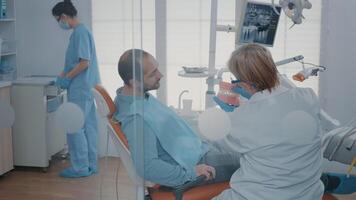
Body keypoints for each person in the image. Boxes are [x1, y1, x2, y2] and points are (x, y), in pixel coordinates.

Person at [211, 44, 356, 199]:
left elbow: (220, 144)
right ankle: (326, 180)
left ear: (243, 82)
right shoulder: (307, 96)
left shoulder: (242, 118)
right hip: (307, 193)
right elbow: (278, 102)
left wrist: (231, 116)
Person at [114, 49, 240, 187]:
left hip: (199, 150)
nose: (160, 75)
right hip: (197, 163)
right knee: (253, 161)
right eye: (152, 74)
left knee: (244, 148)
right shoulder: (136, 118)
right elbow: (147, 167)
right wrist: (191, 173)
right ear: (134, 82)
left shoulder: (131, 96)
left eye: (157, 69)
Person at [52, 0, 101, 178]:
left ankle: (80, 167)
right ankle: (91, 164)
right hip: (86, 87)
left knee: (75, 126)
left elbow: (84, 62)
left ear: (64, 16)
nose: (59, 23)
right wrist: (63, 73)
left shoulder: (80, 32)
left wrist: (67, 78)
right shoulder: (80, 32)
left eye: (58, 19)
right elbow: (74, 61)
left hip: (80, 87)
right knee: (88, 126)